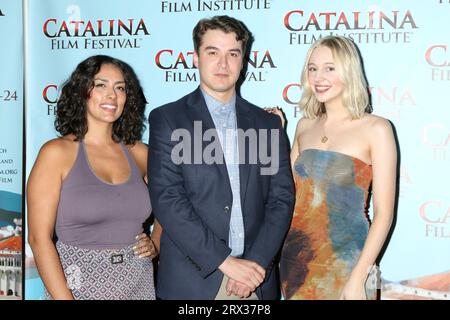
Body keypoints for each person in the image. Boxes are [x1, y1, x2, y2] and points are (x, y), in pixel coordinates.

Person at [148, 15, 295, 300]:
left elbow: (281, 199)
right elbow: (167, 198)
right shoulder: (169, 119)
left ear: (243, 61)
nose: (223, 63)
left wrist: (255, 264)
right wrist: (225, 262)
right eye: (212, 52)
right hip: (193, 283)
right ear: (195, 58)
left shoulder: (266, 125)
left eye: (232, 54)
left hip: (255, 282)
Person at [27, 55, 162, 300]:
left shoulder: (141, 154)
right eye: (101, 85)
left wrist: (156, 243)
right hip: (77, 287)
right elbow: (38, 238)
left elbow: (171, 204)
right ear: (81, 92)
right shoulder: (56, 153)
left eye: (119, 88)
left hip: (138, 283)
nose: (112, 95)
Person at [276, 36, 397, 300]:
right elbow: (285, 194)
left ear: (348, 71)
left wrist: (359, 276)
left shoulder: (376, 128)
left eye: (330, 68)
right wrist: (274, 134)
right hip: (297, 261)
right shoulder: (304, 126)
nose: (319, 77)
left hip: (349, 262)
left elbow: (384, 214)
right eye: (313, 68)